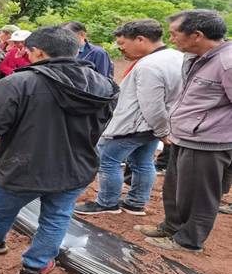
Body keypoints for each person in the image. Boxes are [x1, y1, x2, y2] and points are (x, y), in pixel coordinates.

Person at [0, 26, 118, 274]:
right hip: (76, 165)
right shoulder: (104, 84)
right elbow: (102, 124)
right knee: (57, 216)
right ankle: (35, 266)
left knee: (1, 210)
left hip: (21, 165)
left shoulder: (19, 81)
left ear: (37, 51)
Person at [136, 10, 232, 253]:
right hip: (185, 135)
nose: (172, 39)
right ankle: (171, 227)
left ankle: (188, 241)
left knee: (199, 196)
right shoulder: (195, 57)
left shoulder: (226, 63)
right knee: (175, 189)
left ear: (197, 35)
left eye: (175, 34)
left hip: (208, 141)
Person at [74, 19, 183, 216]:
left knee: (107, 159)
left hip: (136, 124)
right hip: (155, 124)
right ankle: (136, 202)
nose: (121, 49)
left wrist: (162, 131)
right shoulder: (177, 56)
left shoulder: (149, 65)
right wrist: (162, 129)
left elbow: (151, 104)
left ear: (140, 39)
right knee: (143, 161)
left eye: (123, 44)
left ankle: (107, 203)